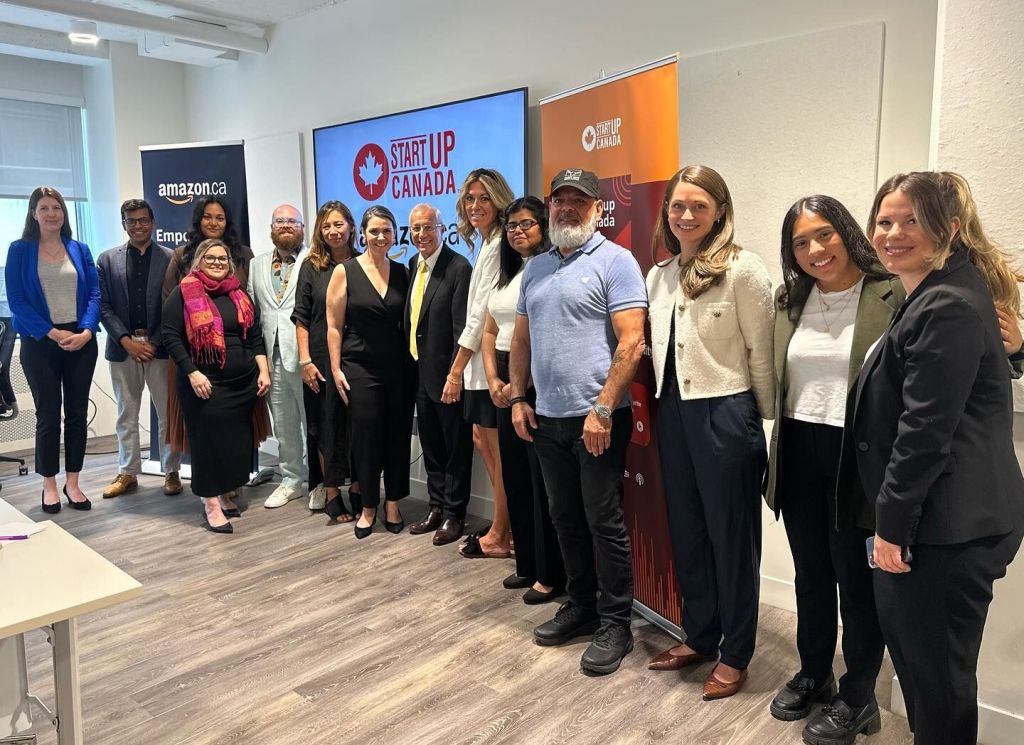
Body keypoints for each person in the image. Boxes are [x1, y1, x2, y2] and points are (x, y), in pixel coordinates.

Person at [855, 172, 1024, 745]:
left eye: (911, 221)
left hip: (944, 531)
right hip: (948, 522)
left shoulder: (946, 302)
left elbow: (925, 432)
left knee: (937, 685)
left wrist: (889, 528)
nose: (894, 233)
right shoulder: (939, 290)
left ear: (948, 228)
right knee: (935, 679)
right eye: (884, 221)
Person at [763, 195, 896, 742]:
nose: (815, 250)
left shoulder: (892, 291)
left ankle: (859, 694)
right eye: (800, 242)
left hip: (857, 456)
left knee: (857, 583)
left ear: (846, 232)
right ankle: (814, 671)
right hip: (798, 447)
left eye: (824, 235)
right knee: (812, 575)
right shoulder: (790, 297)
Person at [511, 168, 647, 675]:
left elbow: (632, 342)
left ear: (596, 208)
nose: (567, 208)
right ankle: (584, 605)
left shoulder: (617, 261)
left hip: (598, 421)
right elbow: (521, 340)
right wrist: (519, 398)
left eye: (578, 200)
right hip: (547, 419)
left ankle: (616, 622)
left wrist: (604, 409)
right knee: (564, 518)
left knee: (603, 521)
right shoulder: (537, 268)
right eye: (559, 200)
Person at [645, 165, 774, 700]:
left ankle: (737, 651)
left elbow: (760, 352)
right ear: (667, 212)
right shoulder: (659, 275)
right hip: (671, 414)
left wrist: (761, 424)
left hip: (725, 414)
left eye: (699, 205)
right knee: (689, 532)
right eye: (678, 205)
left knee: (732, 539)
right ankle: (700, 634)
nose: (687, 215)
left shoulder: (743, 269)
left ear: (719, 210)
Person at [481, 196, 565, 602]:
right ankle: (526, 564)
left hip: (533, 381)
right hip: (505, 379)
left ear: (544, 226)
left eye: (526, 223)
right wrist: (495, 380)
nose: (517, 231)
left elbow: (537, 336)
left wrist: (519, 388)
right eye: (511, 225)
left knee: (541, 484)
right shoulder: (507, 271)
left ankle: (549, 574)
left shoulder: (551, 267)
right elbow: (489, 327)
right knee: (515, 479)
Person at [162, 238, 270, 533]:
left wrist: (263, 370)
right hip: (205, 383)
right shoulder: (185, 292)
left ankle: (224, 493)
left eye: (222, 259)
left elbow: (255, 335)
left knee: (233, 443)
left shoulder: (239, 294)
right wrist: (193, 373)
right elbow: (170, 336)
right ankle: (210, 502)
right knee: (208, 444)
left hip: (243, 382)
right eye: (211, 258)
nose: (217, 263)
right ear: (199, 261)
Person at [5, 186, 100, 513]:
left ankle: (73, 483)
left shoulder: (80, 248)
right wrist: (52, 332)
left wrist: (87, 331)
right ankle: (48, 484)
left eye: (56, 207)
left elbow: (94, 296)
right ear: (33, 214)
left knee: (76, 415)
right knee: (48, 415)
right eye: (44, 208)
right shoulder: (19, 250)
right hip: (39, 343)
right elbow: (16, 301)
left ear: (64, 213)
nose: (51, 214)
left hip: (81, 342)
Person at [327, 206, 413, 539]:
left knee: (396, 436)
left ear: (394, 235)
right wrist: (335, 368)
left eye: (387, 231)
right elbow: (333, 326)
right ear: (362, 234)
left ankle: (393, 502)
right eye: (374, 231)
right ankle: (368, 507)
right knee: (365, 439)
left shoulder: (404, 272)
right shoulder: (345, 272)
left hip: (399, 369)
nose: (380, 237)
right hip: (359, 367)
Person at [444, 168, 516, 554]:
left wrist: (455, 369)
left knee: (496, 449)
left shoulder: (502, 242)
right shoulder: (487, 243)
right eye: (470, 199)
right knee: (481, 440)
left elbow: (481, 316)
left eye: (484, 198)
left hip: (489, 359)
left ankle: (501, 533)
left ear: (499, 200)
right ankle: (508, 524)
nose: (475, 206)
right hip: (478, 361)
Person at [161, 196, 260, 461]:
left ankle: (234, 479)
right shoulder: (182, 255)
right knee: (200, 424)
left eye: (220, 217)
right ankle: (205, 481)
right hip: (192, 358)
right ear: (198, 219)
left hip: (237, 358)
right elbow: (169, 300)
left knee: (236, 424)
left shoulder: (243, 255)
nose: (214, 222)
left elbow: (250, 301)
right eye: (208, 216)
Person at [97, 198, 181, 499]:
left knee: (168, 415)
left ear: (153, 222)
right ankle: (128, 473)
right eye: (131, 221)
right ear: (124, 224)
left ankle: (171, 472)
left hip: (160, 348)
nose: (138, 226)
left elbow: (173, 306)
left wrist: (155, 341)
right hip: (123, 348)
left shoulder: (171, 258)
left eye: (143, 220)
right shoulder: (107, 260)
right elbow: (103, 306)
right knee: (126, 414)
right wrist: (126, 341)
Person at [404, 204, 474, 545]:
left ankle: (454, 514)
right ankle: (435, 506)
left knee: (455, 449)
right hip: (419, 374)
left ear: (442, 229)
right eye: (416, 228)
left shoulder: (459, 268)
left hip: (448, 377)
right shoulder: (412, 265)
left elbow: (463, 329)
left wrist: (454, 375)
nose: (421, 234)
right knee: (430, 445)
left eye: (428, 227)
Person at [293, 200, 359, 518]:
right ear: (320, 230)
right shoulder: (311, 266)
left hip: (355, 357)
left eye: (339, 224)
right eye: (327, 225)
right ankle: (332, 492)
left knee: (356, 425)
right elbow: (301, 318)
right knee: (326, 424)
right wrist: (305, 361)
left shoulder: (363, 263)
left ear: (351, 226)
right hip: (318, 358)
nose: (333, 231)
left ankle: (359, 487)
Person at [248, 204, 311, 509]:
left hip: (306, 357)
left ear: (303, 227)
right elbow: (252, 311)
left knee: (314, 423)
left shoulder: (315, 259)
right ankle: (291, 480)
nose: (286, 225)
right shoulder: (256, 264)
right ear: (271, 228)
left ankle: (324, 482)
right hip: (270, 358)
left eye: (292, 221)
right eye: (279, 221)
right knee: (284, 425)